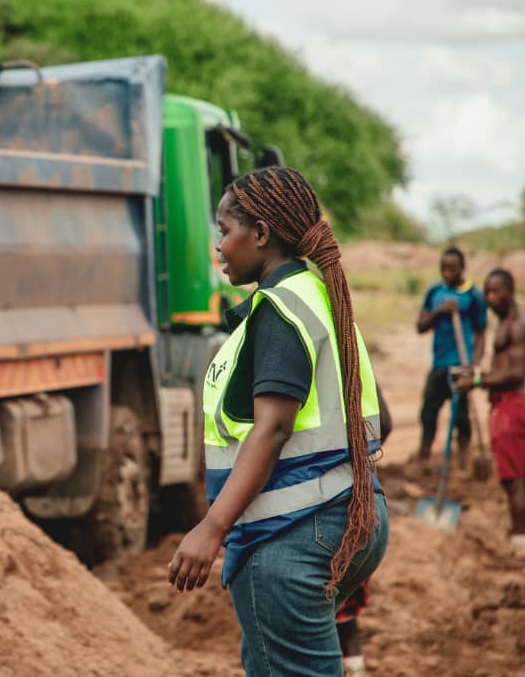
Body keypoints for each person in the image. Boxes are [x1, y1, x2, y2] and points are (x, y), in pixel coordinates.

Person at [168, 167, 390, 677]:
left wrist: (211, 529)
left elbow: (272, 429)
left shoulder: (280, 308)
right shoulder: (322, 297)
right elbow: (379, 418)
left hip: (292, 535)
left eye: (225, 231)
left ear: (262, 233)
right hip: (353, 514)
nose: (218, 245)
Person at [454, 268, 525, 555]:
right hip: (506, 404)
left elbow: (515, 372)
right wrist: (478, 373)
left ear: (510, 291)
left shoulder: (516, 327)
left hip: (511, 406)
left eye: (496, 291)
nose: (490, 299)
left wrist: (476, 380)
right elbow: (504, 368)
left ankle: (522, 541)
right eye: (487, 292)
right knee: (519, 476)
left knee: (512, 479)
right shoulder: (506, 323)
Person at [335, 390, 392, 677]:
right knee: (343, 610)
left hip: (325, 507)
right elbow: (387, 422)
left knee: (321, 619)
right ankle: (355, 667)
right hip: (361, 505)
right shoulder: (354, 358)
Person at [416, 247, 487, 465]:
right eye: (443, 268)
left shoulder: (473, 296)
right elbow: (420, 326)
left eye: (452, 268)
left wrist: (473, 364)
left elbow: (481, 334)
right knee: (428, 413)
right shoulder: (434, 292)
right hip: (439, 364)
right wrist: (440, 311)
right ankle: (424, 457)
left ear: (462, 268)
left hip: (460, 366)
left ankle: (463, 459)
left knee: (462, 417)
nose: (447, 273)